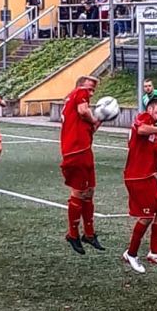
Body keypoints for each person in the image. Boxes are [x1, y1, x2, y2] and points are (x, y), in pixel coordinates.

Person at [121, 97, 157, 274]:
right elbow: (142, 130)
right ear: (150, 108)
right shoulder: (143, 118)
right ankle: (131, 253)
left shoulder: (155, 127)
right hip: (136, 177)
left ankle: (155, 253)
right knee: (146, 217)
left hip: (149, 176)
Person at [60, 75, 104, 254]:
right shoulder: (79, 93)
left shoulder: (75, 101)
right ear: (80, 86)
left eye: (93, 89)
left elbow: (90, 128)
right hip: (75, 152)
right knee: (78, 193)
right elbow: (84, 112)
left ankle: (89, 234)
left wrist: (101, 119)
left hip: (84, 150)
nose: (91, 92)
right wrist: (94, 118)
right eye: (89, 88)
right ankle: (72, 234)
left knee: (89, 191)